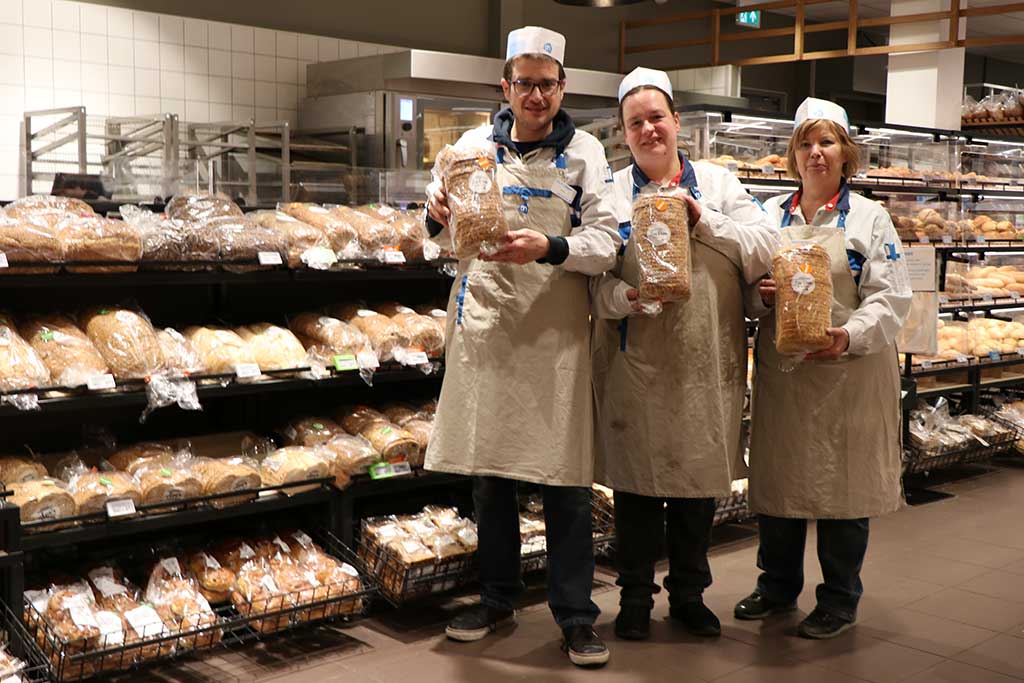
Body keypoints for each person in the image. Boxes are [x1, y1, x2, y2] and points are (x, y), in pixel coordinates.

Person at [422, 26, 620, 668]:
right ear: (505, 86)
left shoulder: (587, 155)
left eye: (547, 83)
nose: (535, 95)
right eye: (524, 82)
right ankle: (497, 596)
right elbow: (437, 240)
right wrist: (435, 214)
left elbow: (609, 242)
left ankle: (575, 616)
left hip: (554, 338)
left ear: (562, 87)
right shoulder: (471, 148)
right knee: (491, 478)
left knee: (564, 483)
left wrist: (552, 247)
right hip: (487, 333)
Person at [590, 67, 779, 642]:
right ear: (624, 134)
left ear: (676, 123)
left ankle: (691, 596)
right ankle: (634, 600)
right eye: (635, 122)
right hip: (635, 363)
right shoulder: (610, 194)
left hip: (705, 364)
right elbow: (591, 284)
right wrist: (625, 296)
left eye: (656, 118)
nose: (648, 130)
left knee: (697, 491)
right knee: (637, 491)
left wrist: (703, 218)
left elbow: (766, 245)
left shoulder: (720, 184)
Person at [735, 97, 912, 639]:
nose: (816, 153)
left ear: (845, 154)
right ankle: (776, 586)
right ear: (793, 154)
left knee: (842, 488)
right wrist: (761, 296)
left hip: (847, 376)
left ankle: (838, 597)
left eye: (827, 142)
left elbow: (892, 297)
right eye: (806, 143)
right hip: (787, 377)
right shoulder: (766, 215)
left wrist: (848, 335)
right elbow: (744, 297)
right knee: (781, 481)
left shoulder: (869, 218)